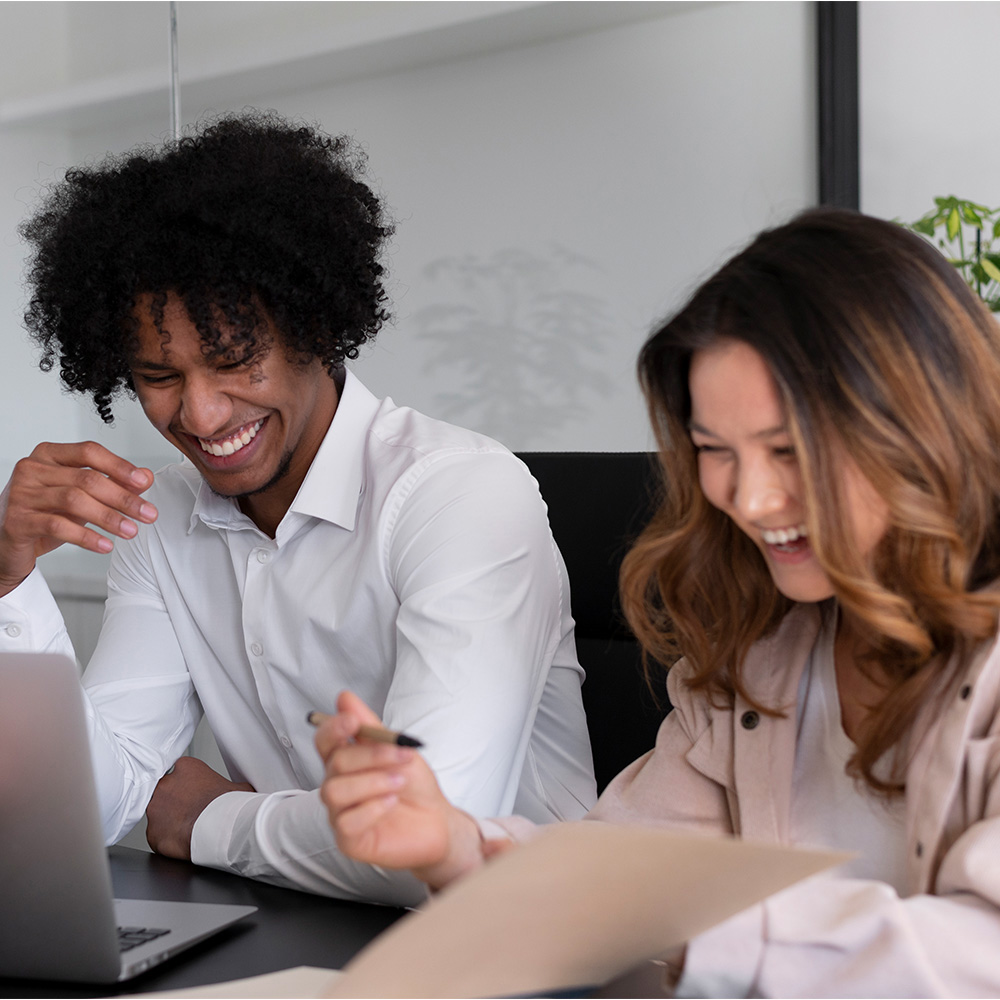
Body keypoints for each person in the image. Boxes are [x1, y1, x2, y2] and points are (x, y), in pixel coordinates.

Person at [316, 208, 1000, 994]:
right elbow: (626, 869)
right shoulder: (768, 648)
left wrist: (704, 924)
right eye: (715, 451)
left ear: (922, 428)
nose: (750, 497)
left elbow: (982, 951)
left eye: (789, 450)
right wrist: (454, 845)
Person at [0, 112, 596, 905]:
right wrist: (7, 577)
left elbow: (424, 841)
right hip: (294, 933)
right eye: (159, 376)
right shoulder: (162, 521)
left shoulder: (459, 495)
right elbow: (100, 806)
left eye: (234, 360)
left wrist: (211, 820)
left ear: (316, 325)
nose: (203, 417)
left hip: (519, 950)